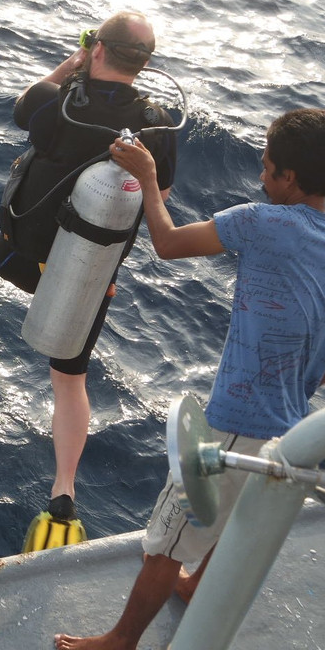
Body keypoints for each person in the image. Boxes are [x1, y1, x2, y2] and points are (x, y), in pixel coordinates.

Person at [54, 107, 325, 649]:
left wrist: (149, 177)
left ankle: (121, 641)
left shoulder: (264, 221)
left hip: (237, 421)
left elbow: (169, 242)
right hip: (296, 428)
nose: (261, 178)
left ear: (290, 179)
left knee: (166, 541)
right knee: (242, 514)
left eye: (268, 169)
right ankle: (196, 586)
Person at [0, 12, 178, 530]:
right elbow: (157, 197)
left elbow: (22, 106)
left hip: (24, 246)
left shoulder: (62, 104)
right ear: (144, 64)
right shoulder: (160, 125)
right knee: (68, 380)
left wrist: (72, 63)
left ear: (98, 48)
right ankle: (63, 490)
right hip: (87, 269)